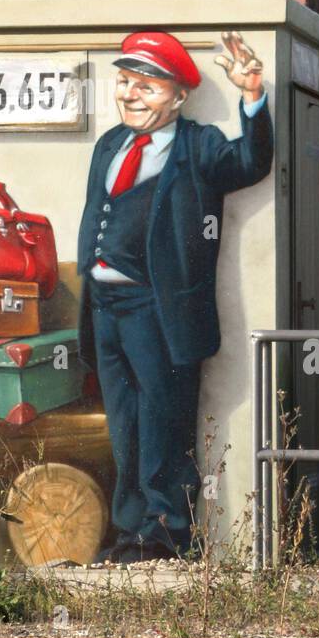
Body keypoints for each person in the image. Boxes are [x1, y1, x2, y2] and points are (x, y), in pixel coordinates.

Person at [77, 29, 274, 563]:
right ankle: (128, 533)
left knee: (164, 425)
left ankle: (168, 536)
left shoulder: (199, 145)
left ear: (178, 96)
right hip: (106, 311)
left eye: (147, 86)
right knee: (124, 426)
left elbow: (250, 162)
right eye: (125, 82)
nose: (130, 95)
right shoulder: (109, 145)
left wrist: (252, 96)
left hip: (157, 310)